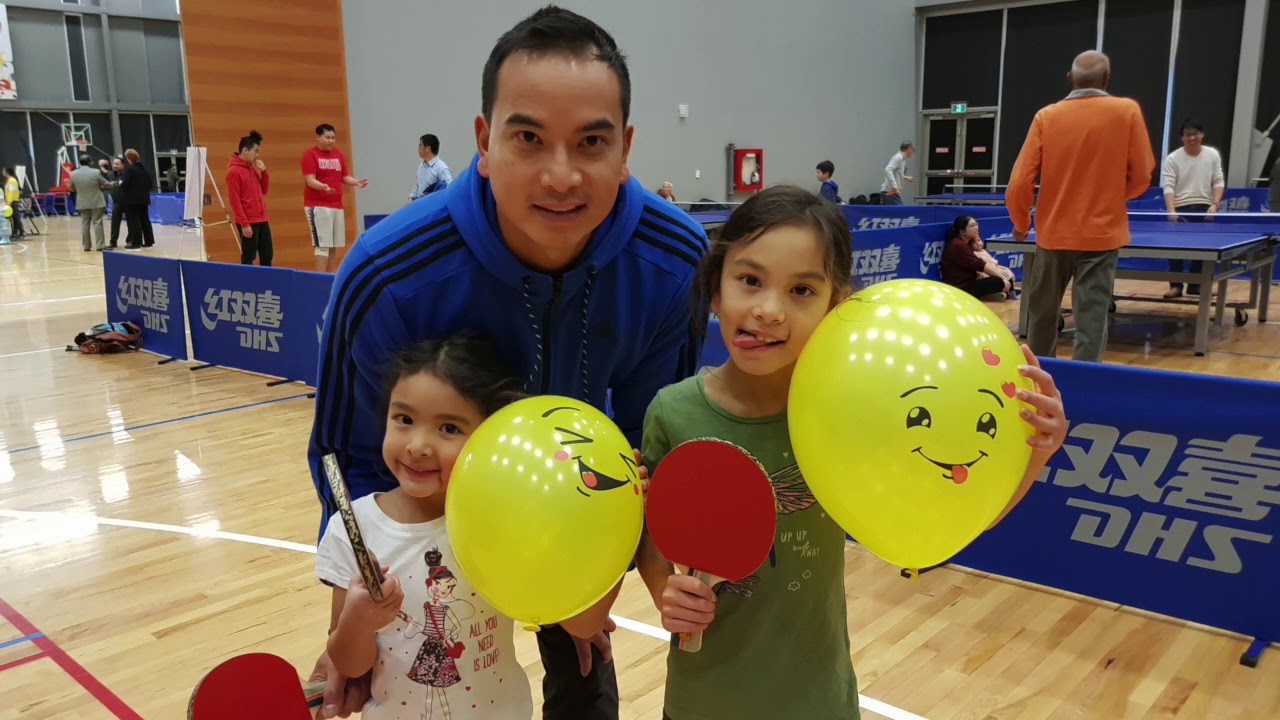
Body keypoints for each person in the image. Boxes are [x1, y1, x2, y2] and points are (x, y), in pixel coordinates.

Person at [307, 7, 707, 719]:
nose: (561, 175)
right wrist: (350, 618)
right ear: (484, 142)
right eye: (528, 138)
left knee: (589, 681)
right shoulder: (387, 274)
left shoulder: (673, 262)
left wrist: (597, 594)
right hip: (439, 534)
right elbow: (352, 464)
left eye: (591, 141)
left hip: (579, 514)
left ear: (626, 150)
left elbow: (656, 443)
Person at [638, 185, 1067, 720]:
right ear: (716, 289)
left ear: (836, 306)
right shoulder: (672, 413)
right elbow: (650, 534)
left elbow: (951, 523)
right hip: (704, 701)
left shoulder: (856, 415)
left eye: (801, 291)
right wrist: (664, 592)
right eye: (750, 281)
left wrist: (1034, 456)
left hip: (819, 699)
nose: (769, 310)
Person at [319, 335, 620, 719]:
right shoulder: (355, 530)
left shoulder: (506, 520)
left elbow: (583, 623)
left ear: (489, 439)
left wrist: (613, 512)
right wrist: (359, 621)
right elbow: (349, 666)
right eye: (404, 419)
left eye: (448, 428)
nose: (418, 445)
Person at [1006, 50, 1155, 363]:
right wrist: (1114, 198)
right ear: (1107, 79)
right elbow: (1142, 174)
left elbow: (1020, 182)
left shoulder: (1046, 116)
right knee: (1091, 321)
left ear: (1069, 80)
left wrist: (1021, 224)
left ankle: (1037, 387)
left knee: (1042, 316)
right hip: (1102, 236)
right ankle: (1085, 399)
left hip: (1052, 235)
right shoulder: (1126, 110)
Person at [1160, 119, 1225, 298]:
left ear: (1202, 135)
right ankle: (1176, 286)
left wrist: (1215, 204)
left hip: (1205, 208)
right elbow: (1168, 186)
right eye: (1188, 134)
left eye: (1195, 133)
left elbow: (1218, 181)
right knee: (1175, 249)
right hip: (1180, 208)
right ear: (1182, 138)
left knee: (1204, 250)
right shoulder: (1173, 158)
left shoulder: (1212, 154)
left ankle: (1196, 285)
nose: (1192, 137)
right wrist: (1171, 210)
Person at [303, 123, 368, 273]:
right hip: (318, 205)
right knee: (322, 245)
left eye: (333, 137)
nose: (331, 141)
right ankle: (319, 279)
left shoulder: (338, 154)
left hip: (336, 205)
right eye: (327, 137)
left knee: (333, 245)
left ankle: (330, 277)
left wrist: (356, 182)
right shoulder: (310, 155)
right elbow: (310, 180)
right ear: (318, 137)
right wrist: (323, 186)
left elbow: (344, 177)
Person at [227, 130, 273, 266]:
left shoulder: (251, 168)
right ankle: (247, 285)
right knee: (249, 256)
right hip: (248, 222)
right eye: (255, 151)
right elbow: (234, 201)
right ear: (245, 150)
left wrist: (264, 172)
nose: (257, 155)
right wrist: (244, 224)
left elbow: (263, 190)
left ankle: (267, 284)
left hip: (262, 219)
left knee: (267, 255)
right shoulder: (233, 171)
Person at [942, 215, 1016, 300]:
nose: (976, 227)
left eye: (976, 224)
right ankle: (987, 296)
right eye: (972, 226)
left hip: (971, 280)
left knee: (1004, 275)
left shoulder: (966, 243)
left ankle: (994, 294)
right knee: (998, 281)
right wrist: (1002, 278)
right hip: (960, 288)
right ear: (962, 231)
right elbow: (980, 265)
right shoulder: (958, 245)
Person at [68, 153, 116, 252]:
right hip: (96, 202)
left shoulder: (73, 174)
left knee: (84, 224)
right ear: (90, 162)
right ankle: (100, 245)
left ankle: (86, 246)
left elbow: (72, 188)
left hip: (82, 202)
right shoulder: (96, 172)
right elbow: (106, 184)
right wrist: (115, 184)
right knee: (97, 223)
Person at [121, 149, 156, 250]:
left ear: (129, 158)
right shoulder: (145, 170)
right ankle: (149, 241)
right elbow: (150, 185)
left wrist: (120, 185)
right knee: (145, 219)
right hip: (144, 199)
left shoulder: (130, 170)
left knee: (134, 221)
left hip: (132, 200)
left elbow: (125, 184)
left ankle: (136, 242)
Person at [409, 133, 452, 201]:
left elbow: (449, 190)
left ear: (428, 148)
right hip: (419, 205)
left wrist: (431, 196)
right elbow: (418, 185)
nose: (419, 147)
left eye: (420, 145)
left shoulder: (441, 168)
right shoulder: (421, 167)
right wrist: (411, 197)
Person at [107, 158, 127, 249]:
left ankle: (130, 240)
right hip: (116, 202)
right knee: (115, 223)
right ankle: (113, 241)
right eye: (114, 164)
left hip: (128, 202)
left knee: (131, 222)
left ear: (123, 165)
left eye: (117, 164)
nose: (115, 166)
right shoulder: (110, 174)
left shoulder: (128, 174)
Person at [5, 167, 24, 239]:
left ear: (7, 172)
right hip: (11, 201)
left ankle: (21, 232)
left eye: (4, 171)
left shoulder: (12, 181)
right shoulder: (9, 180)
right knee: (14, 218)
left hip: (13, 202)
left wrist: (9, 202)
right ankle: (15, 232)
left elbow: (11, 192)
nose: (2, 172)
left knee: (16, 218)